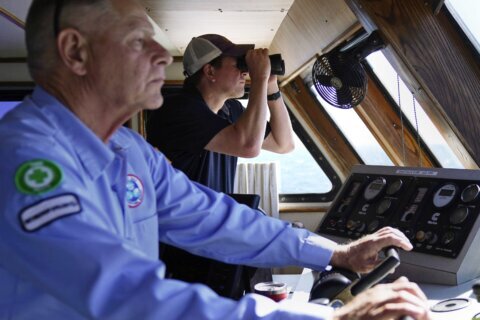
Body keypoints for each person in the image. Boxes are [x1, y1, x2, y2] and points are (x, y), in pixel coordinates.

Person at [0, 0, 431, 319]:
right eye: (138, 40)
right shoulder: (26, 162)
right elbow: (123, 295)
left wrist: (335, 254)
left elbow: (214, 217)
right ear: (75, 52)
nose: (158, 54)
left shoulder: (127, 151)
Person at [146, 33, 295, 193]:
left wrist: (270, 85)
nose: (245, 72)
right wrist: (259, 78)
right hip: (183, 216)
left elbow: (284, 144)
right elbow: (249, 146)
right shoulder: (177, 110)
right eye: (239, 64)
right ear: (210, 71)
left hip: (216, 215)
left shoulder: (231, 109)